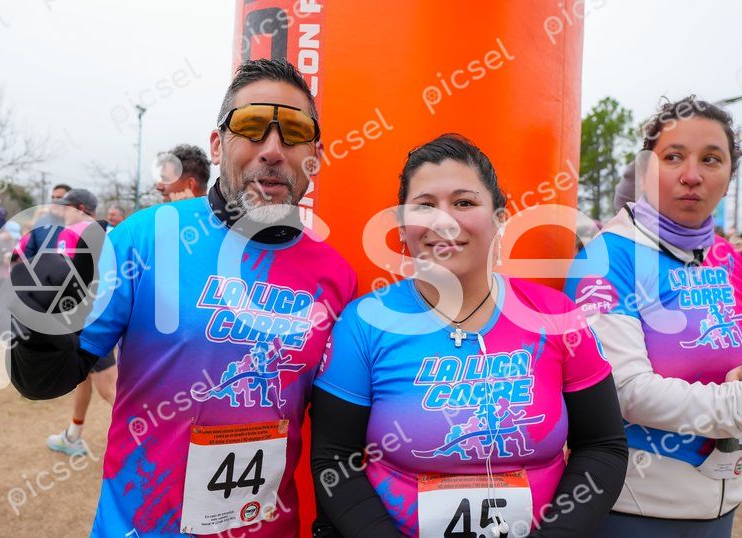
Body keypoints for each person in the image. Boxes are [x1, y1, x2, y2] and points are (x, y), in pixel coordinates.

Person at [0, 58, 356, 537]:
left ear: (315, 155)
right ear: (218, 144)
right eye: (251, 126)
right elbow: (44, 381)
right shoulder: (147, 237)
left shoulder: (337, 276)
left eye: (294, 133)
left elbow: (339, 437)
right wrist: (38, 328)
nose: (272, 150)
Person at [311, 134, 627, 537]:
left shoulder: (557, 316)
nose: (444, 222)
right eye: (425, 206)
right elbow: (334, 460)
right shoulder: (364, 323)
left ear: (499, 219)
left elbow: (603, 447)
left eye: (463, 203)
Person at [566, 96, 742, 537]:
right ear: (646, 172)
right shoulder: (608, 258)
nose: (692, 175)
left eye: (711, 159)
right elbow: (625, 392)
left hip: (723, 506)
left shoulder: (726, 257)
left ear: (729, 178)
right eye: (674, 157)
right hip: (634, 509)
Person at [43, 188, 118, 457]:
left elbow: (61, 278)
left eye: (66, 208)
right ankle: (73, 436)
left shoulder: (74, 233)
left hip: (89, 321)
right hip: (107, 316)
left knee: (109, 389)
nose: (61, 213)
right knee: (83, 378)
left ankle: (153, 441)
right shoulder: (112, 232)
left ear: (81, 209)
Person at [22, 183, 71, 259]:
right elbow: (30, 252)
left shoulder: (75, 225)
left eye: (59, 198)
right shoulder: (41, 224)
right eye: (53, 197)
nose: (55, 201)